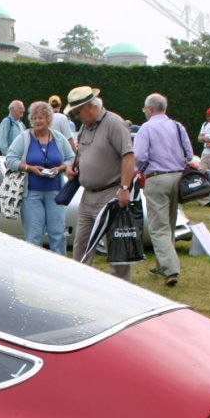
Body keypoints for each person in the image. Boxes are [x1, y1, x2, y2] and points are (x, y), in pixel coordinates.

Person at [63, 86, 136, 281]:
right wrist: (72, 168)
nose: (77, 116)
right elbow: (81, 155)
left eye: (78, 112)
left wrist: (125, 188)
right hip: (87, 196)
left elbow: (128, 156)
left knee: (115, 245)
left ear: (89, 106)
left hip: (110, 194)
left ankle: (123, 288)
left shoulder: (114, 123)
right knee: (81, 244)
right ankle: (79, 285)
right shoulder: (85, 127)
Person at [133, 93, 193, 287]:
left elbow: (140, 155)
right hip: (178, 177)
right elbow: (189, 154)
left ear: (149, 109)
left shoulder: (147, 128)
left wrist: (136, 171)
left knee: (158, 227)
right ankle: (162, 264)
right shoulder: (177, 126)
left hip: (157, 178)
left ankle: (170, 269)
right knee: (170, 222)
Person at [4, 100, 75, 255]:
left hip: (56, 193)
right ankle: (34, 272)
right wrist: (29, 168)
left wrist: (61, 168)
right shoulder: (24, 138)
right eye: (34, 118)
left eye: (40, 118)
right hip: (31, 195)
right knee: (34, 237)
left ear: (48, 120)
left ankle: (60, 271)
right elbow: (10, 159)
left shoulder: (59, 138)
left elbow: (71, 157)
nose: (37, 121)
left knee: (57, 235)